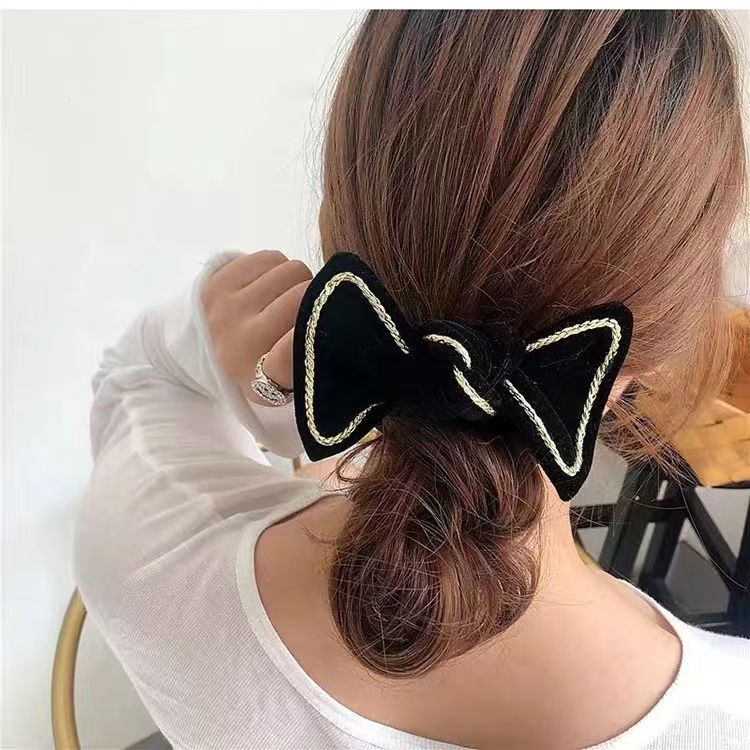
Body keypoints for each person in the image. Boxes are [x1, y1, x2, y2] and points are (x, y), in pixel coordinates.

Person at [75, 10, 750, 750]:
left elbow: (134, 373)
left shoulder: (150, 560)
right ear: (668, 334)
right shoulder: (729, 716)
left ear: (332, 234)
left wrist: (275, 399)